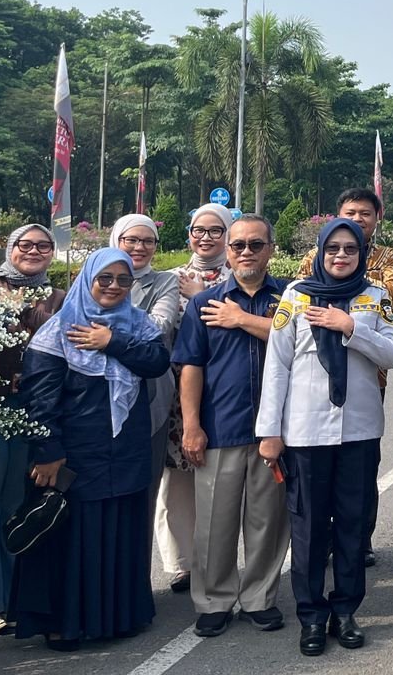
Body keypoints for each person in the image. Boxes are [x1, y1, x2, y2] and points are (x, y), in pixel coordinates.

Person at [11, 246, 171, 649]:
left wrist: (112, 341)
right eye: (105, 279)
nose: (114, 287)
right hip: (76, 453)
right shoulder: (58, 330)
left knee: (119, 531)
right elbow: (39, 398)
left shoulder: (136, 325)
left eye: (123, 280)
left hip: (125, 450)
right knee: (73, 535)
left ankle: (117, 616)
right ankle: (65, 621)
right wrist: (48, 450)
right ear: (88, 279)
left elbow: (156, 361)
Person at [256, 218, 393, 656]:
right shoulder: (296, 296)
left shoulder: (374, 298)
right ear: (320, 252)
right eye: (333, 248)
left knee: (353, 528)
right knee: (309, 529)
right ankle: (313, 616)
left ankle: (345, 611)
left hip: (359, 431)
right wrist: (269, 432)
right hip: (305, 433)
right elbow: (277, 366)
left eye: (350, 250)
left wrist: (351, 327)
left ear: (361, 254)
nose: (341, 256)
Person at [172, 214, 289, 637]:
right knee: (214, 524)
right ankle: (214, 600)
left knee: (267, 522)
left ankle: (260, 597)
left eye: (255, 245)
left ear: (271, 250)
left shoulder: (291, 299)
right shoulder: (206, 304)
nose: (245, 252)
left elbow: (302, 343)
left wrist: (242, 319)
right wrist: (191, 426)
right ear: (227, 251)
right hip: (220, 427)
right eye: (238, 245)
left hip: (274, 432)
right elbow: (190, 367)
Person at [0, 224, 66, 635]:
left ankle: (11, 595)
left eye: (43, 245)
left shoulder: (59, 297)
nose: (34, 251)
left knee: (15, 504)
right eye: (25, 244)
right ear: (10, 248)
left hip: (34, 408)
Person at [300, 188, 393, 567]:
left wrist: (353, 301)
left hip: (367, 376)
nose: (358, 218)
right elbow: (306, 299)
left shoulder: (388, 260)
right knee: (319, 467)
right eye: (350, 212)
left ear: (378, 217)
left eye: (365, 213)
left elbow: (390, 295)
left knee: (361, 466)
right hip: (315, 380)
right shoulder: (315, 257)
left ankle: (359, 538)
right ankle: (324, 537)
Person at [157, 203, 233, 595]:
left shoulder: (238, 275)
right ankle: (183, 563)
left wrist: (204, 296)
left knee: (220, 480)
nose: (206, 237)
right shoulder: (170, 278)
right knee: (179, 483)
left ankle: (218, 561)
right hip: (176, 393)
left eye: (215, 231)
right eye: (198, 230)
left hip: (223, 392)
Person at [111, 214, 181, 561]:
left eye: (147, 241)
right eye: (131, 240)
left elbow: (158, 327)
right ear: (116, 240)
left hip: (150, 399)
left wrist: (105, 334)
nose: (139, 247)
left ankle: (135, 587)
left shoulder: (164, 282)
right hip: (95, 405)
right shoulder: (94, 275)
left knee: (143, 493)